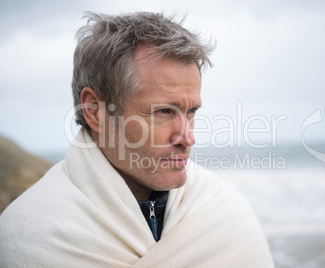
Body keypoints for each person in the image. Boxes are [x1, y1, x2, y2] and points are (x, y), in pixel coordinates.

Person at [0, 11, 275, 267]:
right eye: (164, 111)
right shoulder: (26, 235)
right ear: (95, 110)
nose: (187, 138)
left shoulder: (227, 215)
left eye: (191, 111)